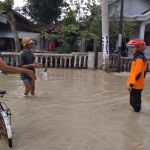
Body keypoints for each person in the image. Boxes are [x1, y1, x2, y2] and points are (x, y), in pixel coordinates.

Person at [126, 39, 147, 112]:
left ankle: (137, 115)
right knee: (136, 101)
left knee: (133, 103)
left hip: (135, 85)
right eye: (131, 47)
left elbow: (138, 73)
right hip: (138, 84)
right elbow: (144, 73)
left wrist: (131, 84)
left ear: (139, 48)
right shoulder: (140, 58)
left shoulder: (139, 59)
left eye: (133, 47)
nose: (132, 49)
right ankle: (138, 112)